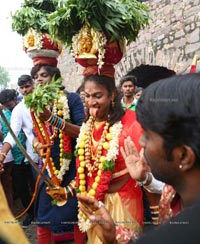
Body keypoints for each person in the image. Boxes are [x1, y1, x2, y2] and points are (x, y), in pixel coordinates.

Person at [77, 73, 200, 243]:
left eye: (148, 136)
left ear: (184, 156)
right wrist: (145, 179)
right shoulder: (170, 192)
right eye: (88, 96)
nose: (140, 141)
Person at [75, 71, 144, 244]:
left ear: (112, 94)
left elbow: (142, 167)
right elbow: (86, 168)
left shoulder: (131, 122)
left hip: (122, 202)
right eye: (88, 96)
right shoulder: (87, 125)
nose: (91, 102)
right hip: (94, 203)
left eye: (98, 96)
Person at [29, 62, 85, 244]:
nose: (39, 80)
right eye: (36, 77)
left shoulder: (72, 99)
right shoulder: (37, 105)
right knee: (43, 213)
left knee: (76, 212)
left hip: (73, 166)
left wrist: (53, 119)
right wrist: (37, 145)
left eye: (43, 75)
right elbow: (33, 134)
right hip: (49, 168)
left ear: (55, 78)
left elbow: (82, 132)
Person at [0, 75, 38, 227]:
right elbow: (12, 134)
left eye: (27, 86)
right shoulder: (18, 110)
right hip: (33, 157)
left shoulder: (49, 101)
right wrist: (3, 154)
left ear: (33, 84)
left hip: (54, 153)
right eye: (22, 88)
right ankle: (35, 216)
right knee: (32, 188)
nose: (25, 90)